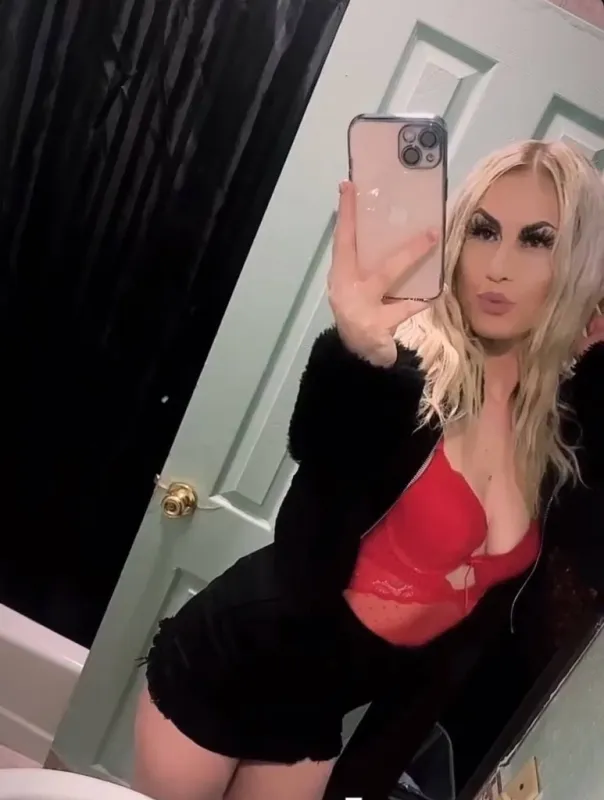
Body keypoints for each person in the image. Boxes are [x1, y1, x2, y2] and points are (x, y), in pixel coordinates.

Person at [132, 139, 604, 800]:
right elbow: (309, 528)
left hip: (318, 708)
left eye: (538, 240)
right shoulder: (407, 376)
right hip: (227, 667)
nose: (497, 267)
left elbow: (481, 631)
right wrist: (357, 356)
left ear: (579, 262)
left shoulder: (549, 430)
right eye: (483, 230)